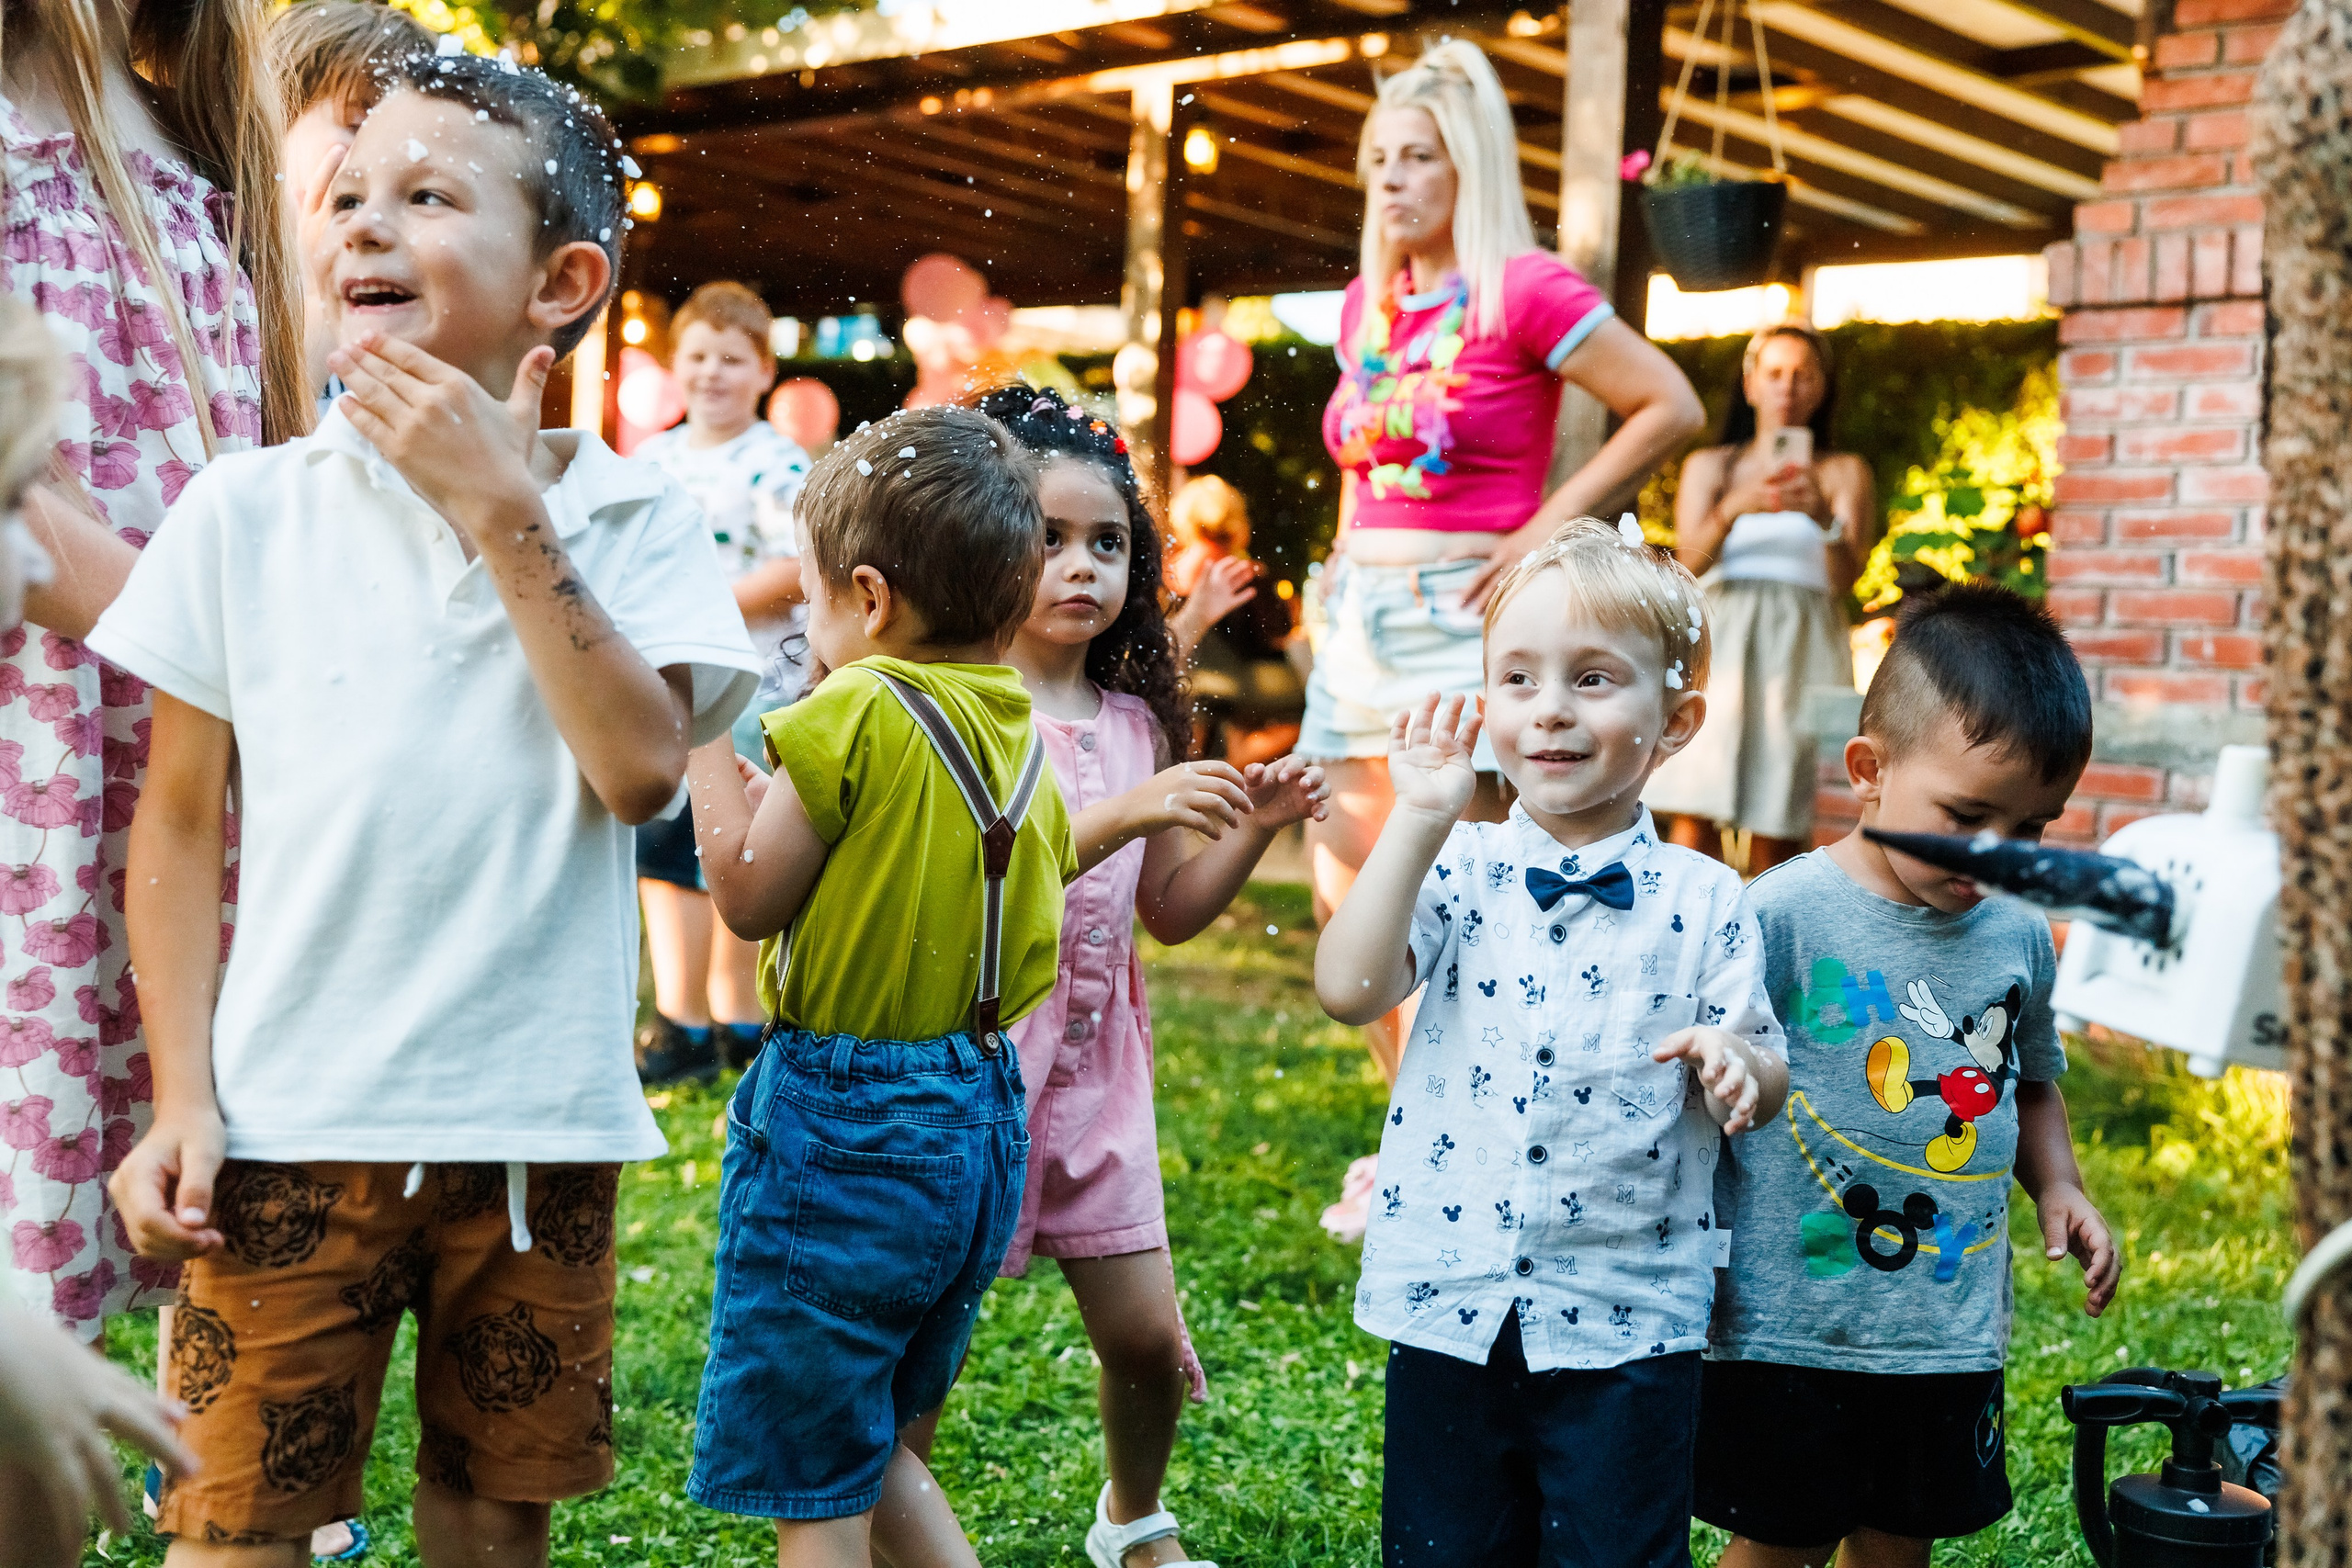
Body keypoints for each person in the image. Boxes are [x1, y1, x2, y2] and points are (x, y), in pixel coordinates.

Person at [93, 54, 760, 1563]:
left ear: (562, 280)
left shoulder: (635, 516)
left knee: (490, 1508)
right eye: (340, 200)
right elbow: (181, 821)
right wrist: (182, 1099)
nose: (363, 229)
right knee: (232, 1520)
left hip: (534, 1132)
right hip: (279, 1128)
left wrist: (504, 511)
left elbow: (639, 769)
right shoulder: (240, 513)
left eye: (426, 196)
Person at [1314, 517, 1788, 1566]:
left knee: (1618, 1552)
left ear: (1675, 721)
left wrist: (1734, 1066)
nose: (1550, 711)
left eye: (1593, 678)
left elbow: (1763, 1056)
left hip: (1627, 1314)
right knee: (1445, 1549)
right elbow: (1349, 989)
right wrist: (1414, 820)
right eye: (1517, 679)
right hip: (1453, 1297)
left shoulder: (1710, 899)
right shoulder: (1459, 866)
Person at [917, 386, 1328, 1568]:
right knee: (928, 1352)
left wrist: (1250, 825)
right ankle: (898, 1523)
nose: (1081, 567)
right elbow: (973, 886)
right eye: (1048, 538)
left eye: (1108, 544)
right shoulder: (955, 707)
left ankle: (1132, 1523)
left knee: (1145, 1339)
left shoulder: (1141, 722)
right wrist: (1128, 810)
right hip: (973, 1074)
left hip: (1097, 1077)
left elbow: (1170, 910)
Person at [1308, 40, 1705, 1236]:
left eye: (1416, 157)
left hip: (1464, 614)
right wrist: (1332, 571)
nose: (1391, 179)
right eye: (1378, 159)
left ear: (1465, 165)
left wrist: (1541, 531)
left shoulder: (1523, 286)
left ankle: (1499, 1137)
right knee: (1355, 887)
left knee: (1471, 889)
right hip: (1357, 614)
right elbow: (1358, 467)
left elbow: (1669, 403)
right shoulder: (1368, 303)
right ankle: (1413, 1132)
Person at [681, 407, 1074, 1567]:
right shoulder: (1021, 727)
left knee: (818, 1482)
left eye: (805, 605)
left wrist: (708, 736)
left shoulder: (851, 708)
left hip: (846, 1123)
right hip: (975, 1120)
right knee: (875, 1439)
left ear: (868, 596)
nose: (803, 630)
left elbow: (747, 899)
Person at [1695, 584, 2120, 1568]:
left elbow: (2030, 1078)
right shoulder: (1780, 914)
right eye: (1967, 816)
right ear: (1869, 772)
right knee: (1776, 1546)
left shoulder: (2016, 934)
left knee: (1899, 1545)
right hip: (1786, 1321)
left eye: (2029, 830)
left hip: (1944, 1326)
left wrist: (2059, 1185)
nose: (1994, 855)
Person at [0, 0, 302, 1353]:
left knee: (207, 1192)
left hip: (202, 748)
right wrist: (224, 666)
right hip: (46, 746)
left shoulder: (189, 129)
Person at [630, 280, 815, 1082]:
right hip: (661, 683)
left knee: (728, 847)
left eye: (732, 360)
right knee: (662, 844)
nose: (712, 373)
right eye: (698, 356)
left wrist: (704, 601)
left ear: (765, 371)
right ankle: (683, 1018)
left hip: (750, 687)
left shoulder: (778, 462)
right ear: (676, 366)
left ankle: (736, 1013)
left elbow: (801, 565)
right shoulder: (650, 460)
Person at [1647, 321, 1875, 874]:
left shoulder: (1844, 472)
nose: (1787, 387)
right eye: (1774, 373)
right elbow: (1685, 566)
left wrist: (1821, 516)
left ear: (1821, 388)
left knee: (1782, 811)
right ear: (1750, 384)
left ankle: (1772, 944)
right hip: (1723, 639)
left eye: (1803, 375)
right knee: (1694, 807)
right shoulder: (1712, 467)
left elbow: (1847, 578)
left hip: (1801, 642)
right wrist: (1734, 507)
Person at [270, 0, 433, 396]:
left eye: (410, 147)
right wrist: (319, 293)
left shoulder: (402, 308)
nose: (384, 162)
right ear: (271, 118)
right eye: (359, 126)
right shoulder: (215, 278)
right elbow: (255, 446)